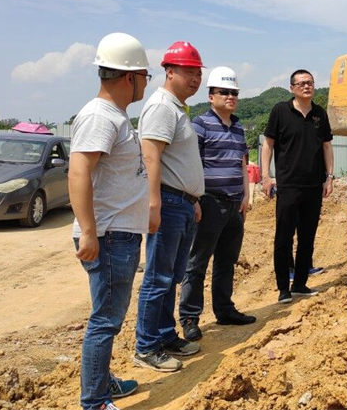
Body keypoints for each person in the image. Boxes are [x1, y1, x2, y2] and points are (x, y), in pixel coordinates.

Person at [69, 32, 151, 410]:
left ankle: (102, 382)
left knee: (110, 317)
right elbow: (78, 171)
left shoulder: (115, 116)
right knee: (105, 320)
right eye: (145, 76)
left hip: (118, 233)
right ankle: (95, 401)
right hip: (109, 235)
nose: (146, 84)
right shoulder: (100, 116)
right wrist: (89, 231)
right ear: (129, 77)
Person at [134, 41, 205, 373]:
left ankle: (164, 335)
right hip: (169, 202)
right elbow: (150, 156)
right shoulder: (162, 106)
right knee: (158, 277)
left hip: (182, 203)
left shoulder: (177, 108)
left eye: (197, 73)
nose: (195, 79)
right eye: (188, 72)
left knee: (171, 276)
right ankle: (147, 346)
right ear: (169, 71)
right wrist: (154, 202)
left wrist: (193, 200)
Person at [178, 66, 255, 343]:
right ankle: (189, 318)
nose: (230, 97)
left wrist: (246, 197)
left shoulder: (238, 127)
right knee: (197, 263)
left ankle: (224, 310)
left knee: (227, 261)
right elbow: (191, 164)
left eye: (234, 92)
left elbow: (242, 164)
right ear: (211, 96)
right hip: (210, 203)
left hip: (235, 205)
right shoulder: (199, 125)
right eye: (224, 92)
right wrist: (195, 200)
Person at [262, 69, 334, 304]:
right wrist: (266, 176)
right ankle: (283, 288)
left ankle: (300, 283)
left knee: (307, 236)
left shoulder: (320, 114)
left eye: (310, 82)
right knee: (284, 237)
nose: (306, 86)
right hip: (288, 185)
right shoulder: (280, 111)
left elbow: (326, 146)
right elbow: (268, 144)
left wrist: (329, 177)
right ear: (292, 88)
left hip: (314, 186)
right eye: (301, 83)